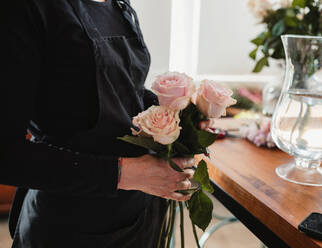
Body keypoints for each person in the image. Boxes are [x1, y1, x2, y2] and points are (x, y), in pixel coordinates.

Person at [1, 0, 195, 247]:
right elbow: (5, 153)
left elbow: (126, 93)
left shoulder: (117, 5)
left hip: (138, 216)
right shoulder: (23, 8)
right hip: (68, 227)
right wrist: (126, 174)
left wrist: (182, 113)